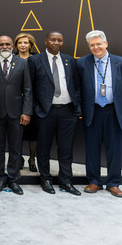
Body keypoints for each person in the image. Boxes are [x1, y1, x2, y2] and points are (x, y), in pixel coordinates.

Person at [78, 30, 122, 198]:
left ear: (106, 44)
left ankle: (113, 183)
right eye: (92, 45)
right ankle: (94, 181)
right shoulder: (81, 63)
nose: (96, 47)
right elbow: (78, 88)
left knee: (114, 149)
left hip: (113, 111)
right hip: (92, 111)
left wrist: (121, 107)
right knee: (92, 148)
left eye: (99, 44)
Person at [28, 31, 82, 196]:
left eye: (59, 40)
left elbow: (77, 85)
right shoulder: (35, 60)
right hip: (45, 112)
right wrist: (35, 108)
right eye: (53, 40)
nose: (56, 43)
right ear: (46, 41)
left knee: (66, 148)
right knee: (43, 148)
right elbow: (29, 87)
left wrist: (76, 105)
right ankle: (45, 179)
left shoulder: (70, 60)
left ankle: (66, 180)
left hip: (67, 111)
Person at [0, 35, 32, 195]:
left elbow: (27, 89)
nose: (4, 46)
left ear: (13, 46)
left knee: (15, 148)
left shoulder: (22, 63)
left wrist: (26, 111)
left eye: (7, 44)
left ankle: (13, 179)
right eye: (1, 44)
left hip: (17, 113)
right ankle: (0, 177)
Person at [14, 32, 38, 172]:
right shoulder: (12, 59)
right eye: (20, 43)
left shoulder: (37, 59)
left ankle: (32, 159)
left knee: (33, 133)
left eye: (26, 42)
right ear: (16, 45)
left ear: (30, 45)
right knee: (17, 133)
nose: (23, 45)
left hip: (33, 102)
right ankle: (19, 158)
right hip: (16, 102)